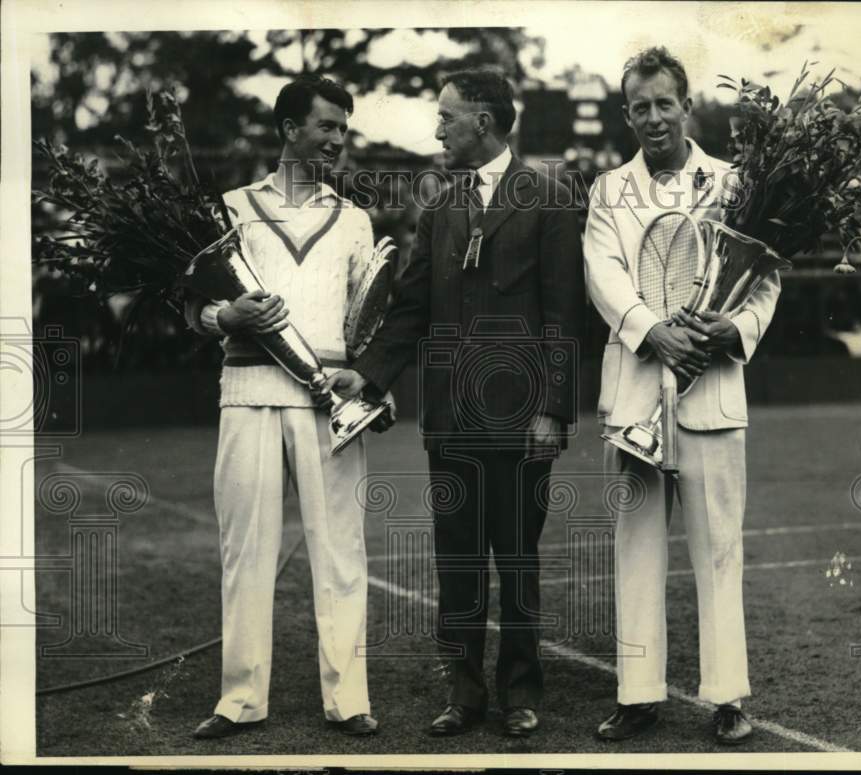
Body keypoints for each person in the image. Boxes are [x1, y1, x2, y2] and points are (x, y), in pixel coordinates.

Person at [329, 68, 585, 738]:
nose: (437, 128)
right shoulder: (440, 205)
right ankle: (464, 691)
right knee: (456, 559)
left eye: (447, 116)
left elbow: (564, 315)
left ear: (485, 121)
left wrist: (554, 407)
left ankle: (520, 692)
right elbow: (412, 305)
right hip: (449, 420)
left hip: (521, 417)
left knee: (518, 559)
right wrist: (371, 377)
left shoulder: (552, 197)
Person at [582, 47, 781, 745]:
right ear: (627, 113)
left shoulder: (734, 183)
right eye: (640, 106)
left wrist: (733, 328)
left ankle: (727, 694)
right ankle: (638, 693)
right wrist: (652, 332)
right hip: (638, 393)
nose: (653, 117)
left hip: (714, 394)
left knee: (719, 548)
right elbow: (603, 275)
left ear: (687, 105)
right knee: (635, 546)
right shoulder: (609, 189)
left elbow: (764, 279)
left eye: (665, 102)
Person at [185, 74, 388, 739]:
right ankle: (240, 698)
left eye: (344, 128)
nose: (337, 139)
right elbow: (189, 307)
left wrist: (366, 376)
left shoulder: (354, 218)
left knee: (341, 550)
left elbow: (369, 319)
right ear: (288, 128)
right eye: (327, 125)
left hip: (327, 401)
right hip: (247, 392)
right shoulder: (230, 208)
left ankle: (348, 697)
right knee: (247, 547)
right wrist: (226, 313)